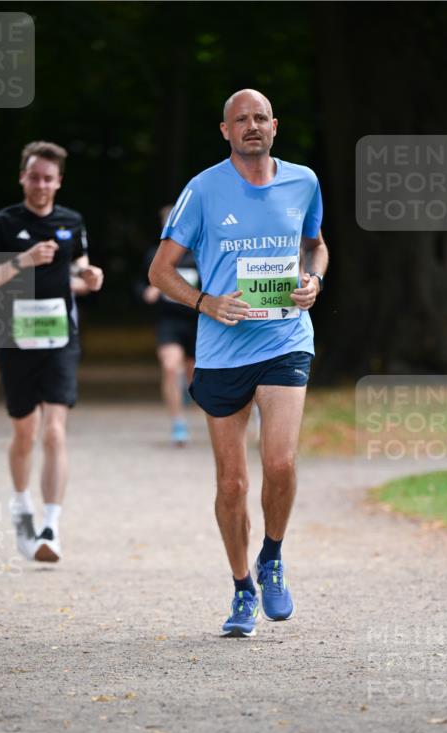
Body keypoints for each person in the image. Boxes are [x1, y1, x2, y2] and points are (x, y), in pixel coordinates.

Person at [149, 89, 328, 636]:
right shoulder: (202, 190)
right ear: (224, 130)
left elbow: (316, 245)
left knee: (280, 463)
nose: (251, 126)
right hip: (224, 350)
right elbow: (162, 271)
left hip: (285, 338)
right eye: (240, 120)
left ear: (274, 126)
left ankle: (271, 556)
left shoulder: (304, 181)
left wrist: (314, 279)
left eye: (259, 118)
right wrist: (206, 302)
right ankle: (241, 589)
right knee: (231, 484)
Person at [0, 141, 103, 563]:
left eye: (49, 178)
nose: (41, 184)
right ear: (22, 177)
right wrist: (22, 261)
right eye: (34, 176)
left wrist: (90, 277)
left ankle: (50, 526)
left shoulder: (72, 222)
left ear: (59, 181)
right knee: (25, 432)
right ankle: (21, 504)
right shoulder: (2, 223)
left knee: (54, 431)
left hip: (61, 338)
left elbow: (79, 273)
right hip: (15, 339)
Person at [142, 206, 198, 445]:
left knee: (193, 374)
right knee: (169, 366)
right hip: (169, 322)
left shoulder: (199, 254)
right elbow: (142, 286)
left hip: (197, 321)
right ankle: (178, 424)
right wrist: (152, 290)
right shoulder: (156, 255)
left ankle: (186, 391)